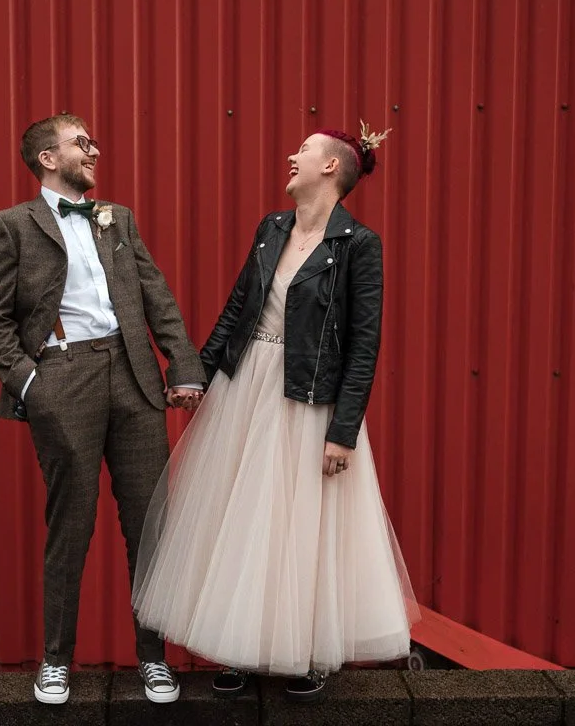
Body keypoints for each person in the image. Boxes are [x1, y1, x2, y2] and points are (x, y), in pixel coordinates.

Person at [131, 122, 420, 702]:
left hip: (311, 399)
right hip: (247, 389)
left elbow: (365, 345)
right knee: (239, 520)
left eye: (305, 150)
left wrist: (343, 433)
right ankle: (241, 647)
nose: (292, 155)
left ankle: (308, 649)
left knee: (303, 527)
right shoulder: (272, 229)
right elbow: (238, 307)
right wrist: (196, 375)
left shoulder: (358, 246)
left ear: (332, 167)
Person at [0, 114, 206, 705]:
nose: (94, 150)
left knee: (149, 526)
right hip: (64, 379)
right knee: (71, 527)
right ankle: (55, 661)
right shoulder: (13, 226)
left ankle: (153, 659)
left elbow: (155, 292)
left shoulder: (118, 218)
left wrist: (182, 366)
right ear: (49, 159)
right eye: (81, 143)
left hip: (134, 379)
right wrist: (31, 385)